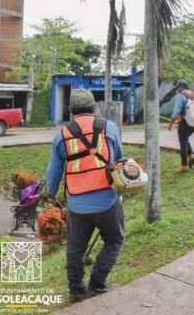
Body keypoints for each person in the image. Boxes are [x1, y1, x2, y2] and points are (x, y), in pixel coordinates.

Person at [46, 89, 125, 303]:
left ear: (70, 110)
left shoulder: (61, 136)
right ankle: (97, 285)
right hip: (107, 201)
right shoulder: (108, 128)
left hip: (77, 204)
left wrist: (51, 197)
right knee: (115, 239)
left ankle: (75, 291)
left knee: (75, 249)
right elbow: (119, 161)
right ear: (94, 108)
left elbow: (53, 173)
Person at [167, 79, 194, 172]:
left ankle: (184, 166)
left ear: (181, 87)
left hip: (185, 122)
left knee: (183, 143)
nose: (177, 89)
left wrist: (171, 123)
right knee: (185, 140)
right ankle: (191, 155)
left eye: (177, 87)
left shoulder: (181, 95)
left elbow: (177, 110)